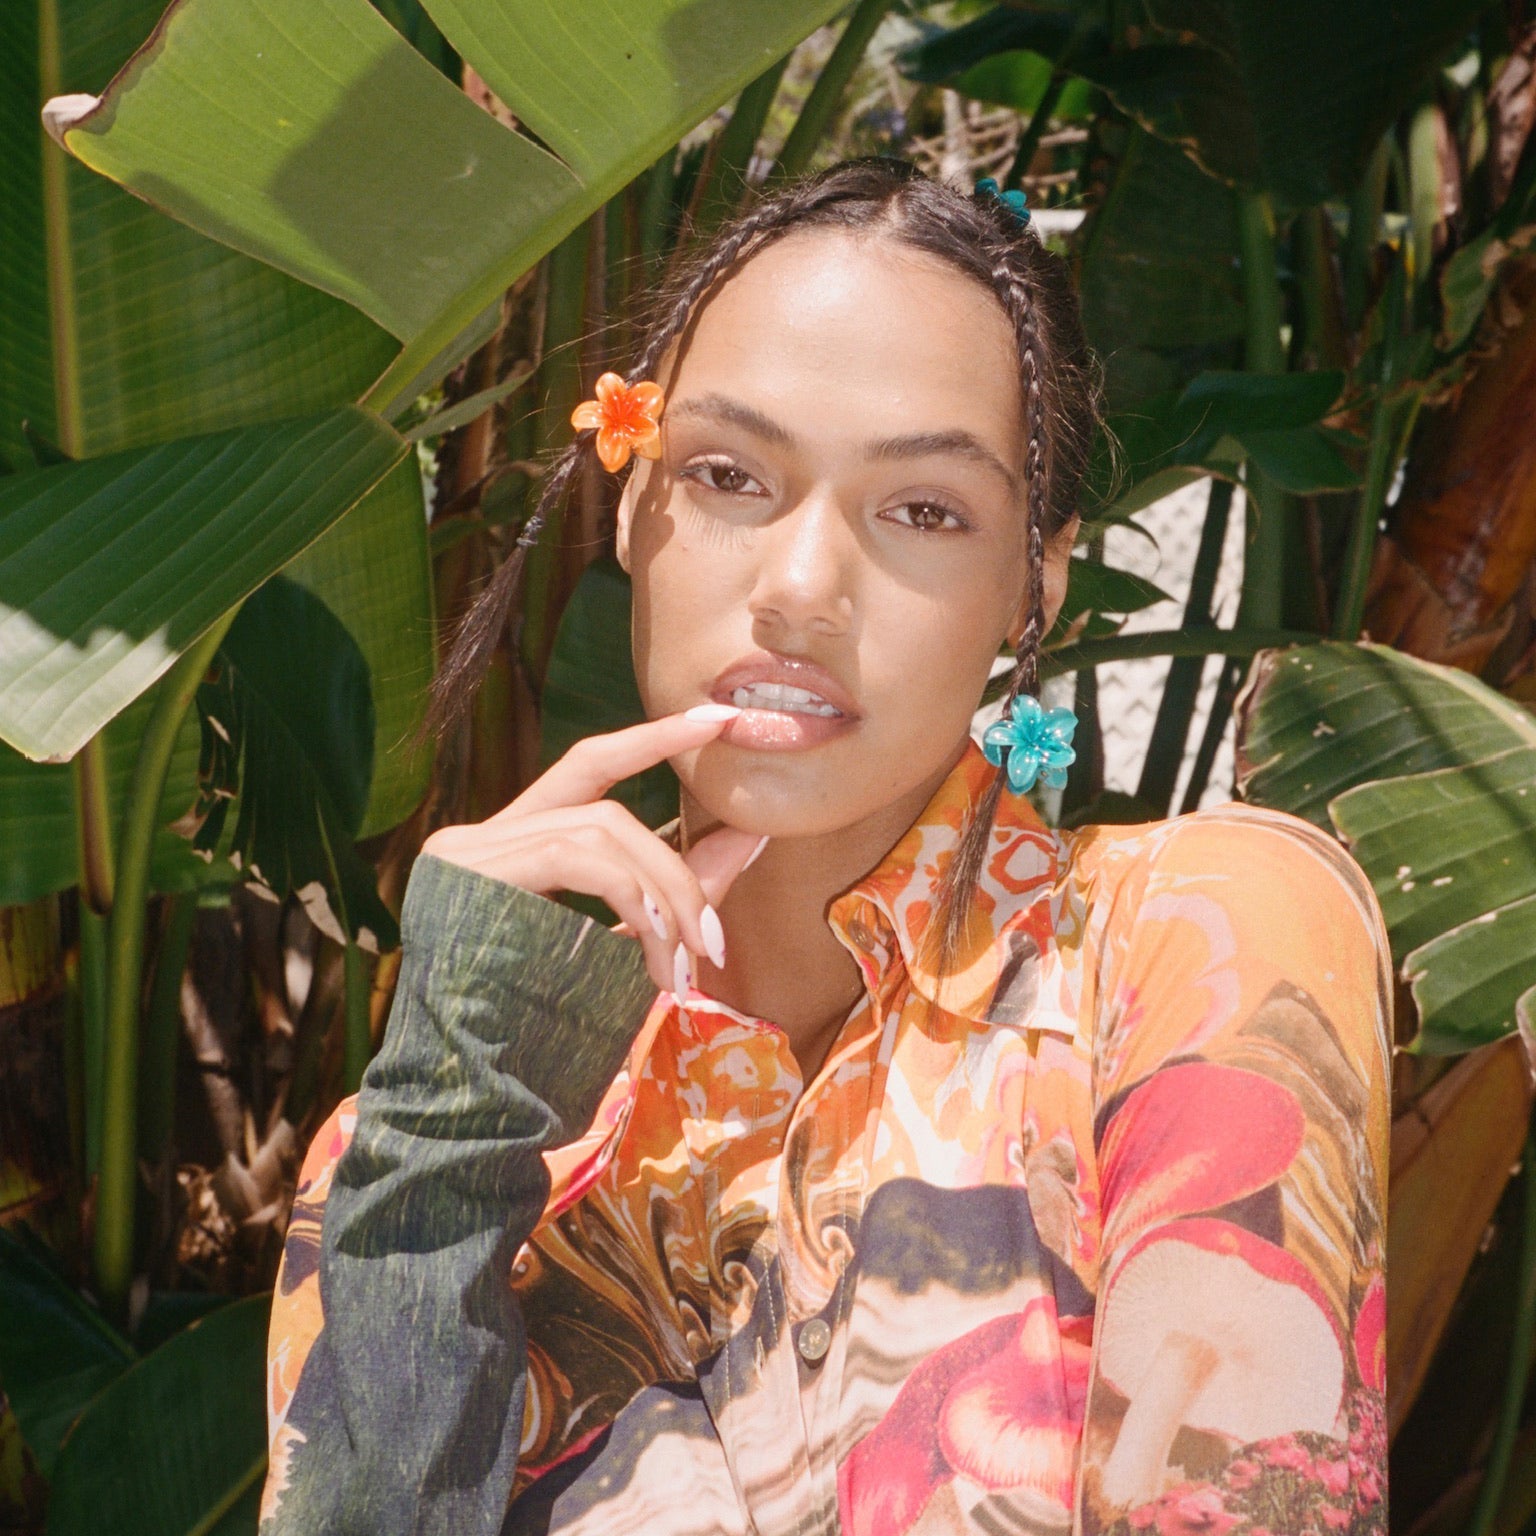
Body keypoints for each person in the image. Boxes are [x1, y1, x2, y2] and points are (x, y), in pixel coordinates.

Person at [259, 159, 1392, 1536]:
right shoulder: (437, 1126)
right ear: (631, 506)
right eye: (732, 476)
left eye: (924, 510)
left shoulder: (1192, 944)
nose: (800, 589)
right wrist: (444, 1119)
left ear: (1032, 580)